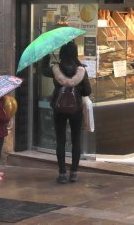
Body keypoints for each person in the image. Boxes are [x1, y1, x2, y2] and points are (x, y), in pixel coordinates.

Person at [42, 41, 92, 184]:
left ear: (62, 53)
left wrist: (47, 54)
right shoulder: (81, 70)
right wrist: (79, 88)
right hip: (75, 109)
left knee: (61, 140)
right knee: (76, 140)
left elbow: (42, 70)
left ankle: (62, 173)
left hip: (59, 109)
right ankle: (74, 173)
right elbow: (88, 91)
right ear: (75, 53)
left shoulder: (56, 69)